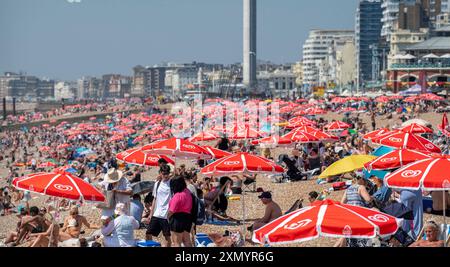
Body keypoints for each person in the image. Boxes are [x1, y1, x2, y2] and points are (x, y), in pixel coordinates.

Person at [146, 164, 172, 247]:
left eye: (167, 173)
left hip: (166, 215)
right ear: (160, 173)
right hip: (157, 213)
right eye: (164, 173)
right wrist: (151, 213)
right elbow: (155, 199)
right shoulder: (157, 184)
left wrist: (171, 213)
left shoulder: (171, 184)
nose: (166, 175)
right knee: (148, 233)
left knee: (167, 237)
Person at [168, 177, 193, 247]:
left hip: (177, 219)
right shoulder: (187, 192)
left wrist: (166, 219)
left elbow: (171, 211)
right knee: (187, 241)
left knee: (176, 242)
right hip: (188, 218)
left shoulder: (177, 196)